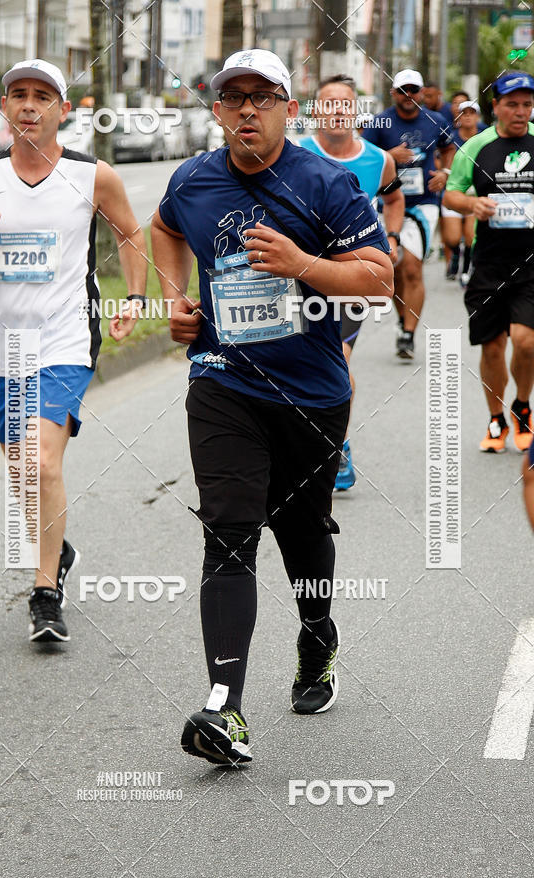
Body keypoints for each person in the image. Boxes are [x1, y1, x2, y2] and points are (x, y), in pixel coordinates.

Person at [151, 48, 392, 765]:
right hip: (224, 381)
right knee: (228, 530)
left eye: (263, 97)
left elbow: (378, 277)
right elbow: (163, 227)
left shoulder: (326, 183)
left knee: (303, 530)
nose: (247, 109)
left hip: (312, 393)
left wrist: (302, 265)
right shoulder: (193, 181)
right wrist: (175, 300)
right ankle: (224, 707)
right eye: (234, 98)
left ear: (290, 108)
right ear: (218, 110)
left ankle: (317, 634)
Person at [0, 59, 148, 641]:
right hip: (0, 343)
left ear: (62, 109)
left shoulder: (92, 176)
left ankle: (44, 590)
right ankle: (59, 550)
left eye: (42, 95)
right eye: (17, 94)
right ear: (5, 107)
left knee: (40, 460)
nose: (29, 104)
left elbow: (132, 231)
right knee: (22, 471)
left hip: (63, 338)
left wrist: (134, 296)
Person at [299, 74, 404, 491]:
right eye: (329, 103)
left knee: (337, 358)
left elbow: (394, 200)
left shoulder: (379, 161)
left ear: (356, 111)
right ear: (315, 112)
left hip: (350, 278)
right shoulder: (295, 153)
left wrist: (391, 237)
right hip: (297, 278)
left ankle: (336, 444)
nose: (338, 110)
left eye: (346, 103)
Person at [444, 72, 534, 453]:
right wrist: (472, 204)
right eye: (512, 104)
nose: (520, 111)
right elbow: (451, 195)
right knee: (493, 345)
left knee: (526, 342)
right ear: (494, 106)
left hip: (531, 263)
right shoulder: (476, 146)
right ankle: (496, 418)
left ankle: (523, 406)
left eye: (527, 104)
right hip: (490, 263)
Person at [363, 69, 454, 360]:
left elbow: (449, 147)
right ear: (393, 93)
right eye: (403, 90)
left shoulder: (435, 120)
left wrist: (445, 172)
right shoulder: (381, 122)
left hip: (423, 202)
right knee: (396, 268)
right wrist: (390, 155)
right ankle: (404, 321)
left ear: (422, 93)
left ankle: (408, 334)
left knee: (412, 266)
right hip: (389, 203)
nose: (408, 96)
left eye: (414, 90)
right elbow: (363, 155)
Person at [441, 100, 484, 284]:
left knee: (470, 236)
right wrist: (445, 173)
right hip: (454, 191)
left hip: (475, 194)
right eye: (463, 113)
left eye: (471, 112)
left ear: (477, 116)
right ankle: (455, 255)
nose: (467, 116)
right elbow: (441, 162)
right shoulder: (450, 138)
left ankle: (466, 269)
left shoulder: (485, 138)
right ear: (457, 117)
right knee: (451, 237)